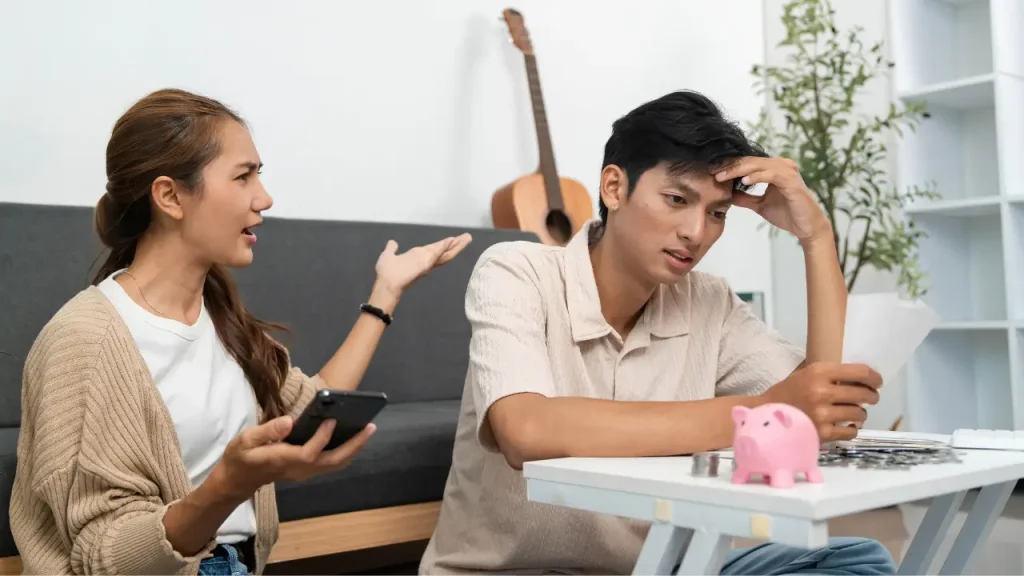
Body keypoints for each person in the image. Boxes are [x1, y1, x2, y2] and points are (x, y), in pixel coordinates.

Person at [420, 90, 896, 575]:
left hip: (660, 568)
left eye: (716, 213)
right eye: (676, 199)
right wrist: (765, 411)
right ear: (613, 188)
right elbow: (526, 429)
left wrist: (816, 237)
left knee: (856, 561)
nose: (696, 231)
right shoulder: (516, 271)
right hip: (514, 572)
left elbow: (821, 407)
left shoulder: (708, 301)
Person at [9, 88, 472, 575]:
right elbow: (104, 558)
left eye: (259, 175)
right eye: (243, 176)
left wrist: (386, 293)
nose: (264, 198)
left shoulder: (219, 316)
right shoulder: (86, 341)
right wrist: (226, 486)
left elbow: (306, 406)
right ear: (169, 196)